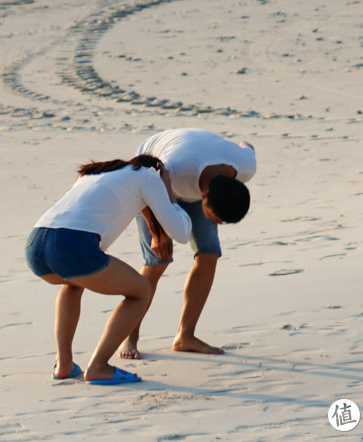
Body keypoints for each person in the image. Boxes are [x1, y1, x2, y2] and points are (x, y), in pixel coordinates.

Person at [26, 154, 192, 385]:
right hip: (70, 245)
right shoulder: (148, 176)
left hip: (35, 246)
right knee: (141, 291)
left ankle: (64, 364)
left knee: (72, 283)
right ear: (157, 169)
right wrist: (168, 189)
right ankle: (99, 366)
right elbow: (181, 233)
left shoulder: (95, 173)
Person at [118, 128, 256, 360]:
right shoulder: (175, 166)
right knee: (158, 259)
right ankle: (129, 337)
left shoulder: (245, 166)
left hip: (192, 175)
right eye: (215, 218)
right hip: (151, 178)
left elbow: (247, 144)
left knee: (210, 252)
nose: (217, 224)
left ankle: (185, 336)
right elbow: (136, 180)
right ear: (204, 197)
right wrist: (156, 232)